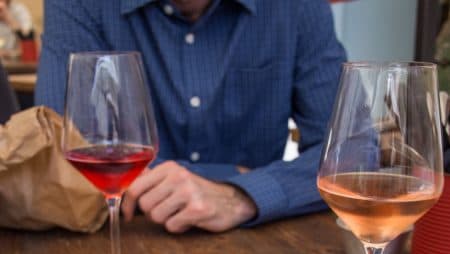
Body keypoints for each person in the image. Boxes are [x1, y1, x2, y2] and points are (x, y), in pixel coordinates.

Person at [36, 0, 346, 233]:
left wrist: (241, 197)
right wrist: (234, 174)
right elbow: (57, 141)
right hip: (118, 235)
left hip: (258, 245)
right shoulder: (78, 4)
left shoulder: (298, 6)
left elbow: (350, 157)